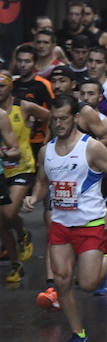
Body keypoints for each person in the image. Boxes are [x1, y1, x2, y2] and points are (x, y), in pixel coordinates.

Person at [22, 94, 107, 342]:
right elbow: (41, 182)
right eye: (55, 119)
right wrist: (34, 198)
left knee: (88, 284)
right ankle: (78, 334)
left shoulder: (91, 147)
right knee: (62, 282)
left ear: (76, 118)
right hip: (60, 224)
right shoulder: (46, 151)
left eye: (64, 118)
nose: (59, 124)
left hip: (90, 224)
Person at [1, 72, 50, 286]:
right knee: (2, 222)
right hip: (3, 170)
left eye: (2, 86)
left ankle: (23, 234)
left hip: (23, 166)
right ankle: (16, 265)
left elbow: (49, 116)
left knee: (10, 213)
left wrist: (44, 139)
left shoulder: (24, 106)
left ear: (11, 87)